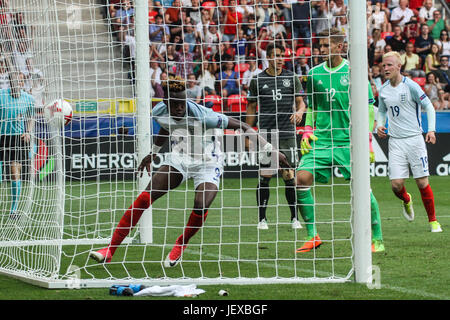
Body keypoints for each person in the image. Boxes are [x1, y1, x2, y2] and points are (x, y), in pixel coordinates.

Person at [89, 76, 291, 265]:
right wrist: (153, 153)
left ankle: (181, 243)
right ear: (166, 101)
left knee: (201, 204)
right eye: (175, 103)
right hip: (180, 158)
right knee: (144, 197)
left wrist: (271, 150)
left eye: (182, 102)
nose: (179, 107)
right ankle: (110, 249)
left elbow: (242, 127)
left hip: (208, 162)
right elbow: (165, 127)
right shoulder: (159, 112)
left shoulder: (203, 115)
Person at [296, 28, 385, 253]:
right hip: (323, 139)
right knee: (301, 179)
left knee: (363, 189)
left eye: (326, 46)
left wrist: (367, 139)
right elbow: (313, 107)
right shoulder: (314, 74)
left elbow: (368, 107)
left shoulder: (354, 72)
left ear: (340, 47)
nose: (322, 50)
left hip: (348, 141)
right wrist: (307, 129)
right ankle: (312, 235)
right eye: (320, 46)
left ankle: (377, 238)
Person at [376, 51, 443, 233]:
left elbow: (428, 105)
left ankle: (433, 221)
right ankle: (406, 199)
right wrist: (380, 125)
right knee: (396, 185)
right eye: (384, 65)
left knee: (422, 182)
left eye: (389, 65)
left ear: (399, 66)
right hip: (395, 141)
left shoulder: (411, 86)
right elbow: (381, 111)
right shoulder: (383, 90)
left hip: (414, 140)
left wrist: (431, 129)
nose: (385, 68)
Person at [246, 42, 306, 230]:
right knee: (265, 175)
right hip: (266, 135)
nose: (280, 59)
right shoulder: (257, 80)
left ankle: (294, 218)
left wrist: (299, 112)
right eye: (276, 56)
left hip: (287, 133)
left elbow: (301, 103)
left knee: (289, 175)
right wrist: (248, 133)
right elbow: (251, 107)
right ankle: (262, 219)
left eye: (282, 56)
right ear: (269, 58)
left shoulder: (292, 77)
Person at [0, 71, 35, 217]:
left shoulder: (28, 99)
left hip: (17, 139)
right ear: (10, 82)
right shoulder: (1, 95)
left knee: (15, 174)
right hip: (2, 137)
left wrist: (28, 131)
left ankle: (13, 210)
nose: (18, 83)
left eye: (20, 81)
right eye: (15, 81)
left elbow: (31, 116)